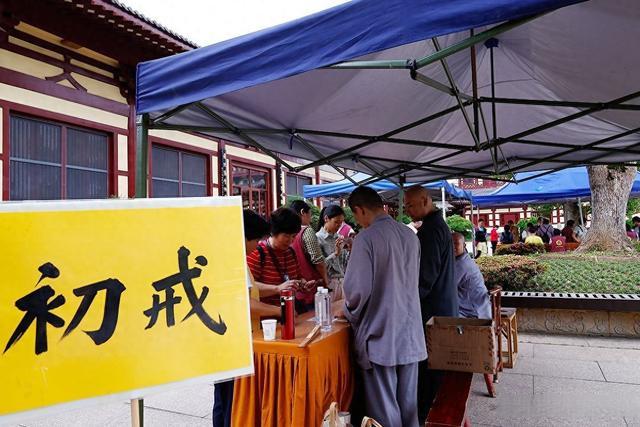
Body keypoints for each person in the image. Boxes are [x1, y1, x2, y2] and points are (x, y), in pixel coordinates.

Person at [335, 186, 426, 427]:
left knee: (384, 410)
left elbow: (356, 292)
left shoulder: (366, 238)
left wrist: (346, 311)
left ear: (360, 210)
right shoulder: (409, 235)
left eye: (356, 216)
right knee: (409, 407)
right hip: (411, 332)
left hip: (382, 335)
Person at [213, 210, 280, 427]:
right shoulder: (232, 260)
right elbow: (245, 304)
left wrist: (278, 288)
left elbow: (251, 288)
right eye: (257, 240)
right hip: (232, 341)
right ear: (244, 237)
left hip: (227, 341)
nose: (257, 245)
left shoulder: (228, 256)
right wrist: (280, 311)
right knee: (231, 399)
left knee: (224, 397)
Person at [404, 185, 457, 424]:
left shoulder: (430, 230)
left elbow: (424, 279)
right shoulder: (437, 226)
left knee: (429, 372)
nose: (407, 210)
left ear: (425, 200)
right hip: (443, 305)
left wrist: (404, 303)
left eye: (410, 205)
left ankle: (427, 417)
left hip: (432, 311)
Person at [246, 207, 302, 307]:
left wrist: (301, 284)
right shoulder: (256, 253)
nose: (290, 240)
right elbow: (249, 288)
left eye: (293, 236)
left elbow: (297, 277)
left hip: (290, 311)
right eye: (286, 236)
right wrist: (277, 288)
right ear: (273, 232)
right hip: (267, 317)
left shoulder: (291, 253)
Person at [290, 200, 330, 311]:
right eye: (310, 214)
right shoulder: (307, 231)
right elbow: (318, 261)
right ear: (303, 212)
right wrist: (326, 280)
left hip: (296, 287)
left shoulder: (290, 233)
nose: (310, 218)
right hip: (311, 287)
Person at [451, 232, 492, 319]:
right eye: (449, 244)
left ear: (464, 245)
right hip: (480, 306)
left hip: (475, 312)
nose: (452, 246)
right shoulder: (463, 259)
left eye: (456, 243)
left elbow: (447, 287)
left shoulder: (462, 264)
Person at [316, 204, 350, 300]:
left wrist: (350, 250)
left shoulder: (340, 237)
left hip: (342, 281)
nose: (339, 225)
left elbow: (344, 264)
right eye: (336, 222)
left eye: (341, 223)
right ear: (326, 218)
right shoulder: (318, 238)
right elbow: (320, 265)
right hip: (328, 284)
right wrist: (335, 253)